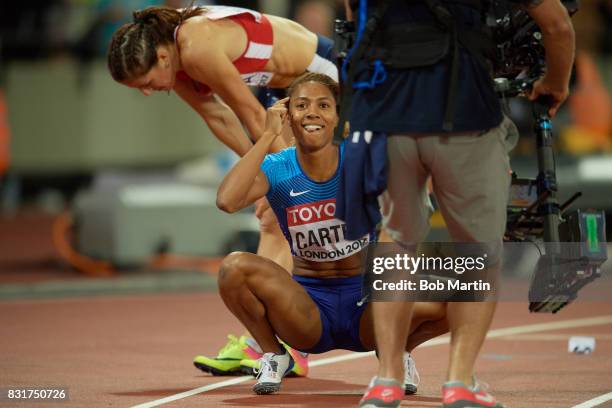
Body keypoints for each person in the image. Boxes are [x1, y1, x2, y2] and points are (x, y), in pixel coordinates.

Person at [336, 1, 575, 407]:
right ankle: (460, 382)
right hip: (463, 109)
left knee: (398, 238)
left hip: (387, 110)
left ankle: (386, 380)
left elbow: (353, 19)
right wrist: (556, 82)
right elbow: (558, 26)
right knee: (478, 249)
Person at [106, 3, 338, 376]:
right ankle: (267, 345)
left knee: (301, 212)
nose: (148, 92)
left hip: (324, 73)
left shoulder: (197, 46)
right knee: (272, 218)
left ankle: (304, 341)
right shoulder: (179, 67)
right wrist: (263, 181)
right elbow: (218, 117)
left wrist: (290, 180)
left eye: (147, 82)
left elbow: (247, 112)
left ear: (163, 56)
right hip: (277, 88)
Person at [215, 72, 449, 395]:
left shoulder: (360, 161)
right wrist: (268, 136)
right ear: (288, 116)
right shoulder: (277, 167)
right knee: (232, 268)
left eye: (324, 105)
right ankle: (274, 354)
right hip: (308, 309)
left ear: (337, 116)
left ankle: (398, 350)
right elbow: (226, 200)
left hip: (367, 306)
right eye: (301, 105)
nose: (312, 112)